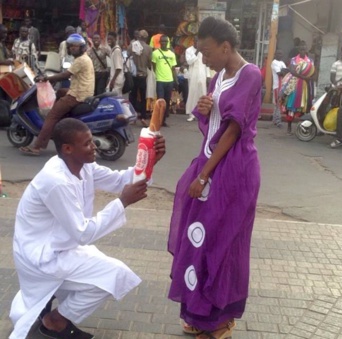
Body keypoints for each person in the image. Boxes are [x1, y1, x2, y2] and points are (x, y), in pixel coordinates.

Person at [9, 118, 166, 339]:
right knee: (114, 275)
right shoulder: (56, 181)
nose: (94, 147)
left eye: (92, 141)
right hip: (41, 256)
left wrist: (149, 161)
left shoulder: (84, 166)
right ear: (68, 149)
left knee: (106, 272)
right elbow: (83, 233)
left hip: (59, 247)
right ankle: (55, 322)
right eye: (87, 143)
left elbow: (120, 180)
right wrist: (122, 203)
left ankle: (46, 304)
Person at [167, 16, 261, 339]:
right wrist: (206, 109)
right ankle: (198, 314)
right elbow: (215, 123)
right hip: (210, 163)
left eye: (206, 52)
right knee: (198, 243)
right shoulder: (218, 75)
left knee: (224, 245)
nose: (203, 59)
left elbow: (234, 131)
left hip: (233, 171)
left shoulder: (251, 75)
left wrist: (204, 176)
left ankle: (220, 320)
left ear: (225, 46)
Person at [19, 34, 94, 156]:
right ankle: (60, 120)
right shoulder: (84, 58)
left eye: (76, 47)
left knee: (52, 116)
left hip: (77, 95)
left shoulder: (80, 60)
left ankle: (37, 146)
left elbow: (65, 75)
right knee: (60, 92)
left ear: (82, 48)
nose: (72, 49)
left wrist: (47, 78)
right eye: (71, 47)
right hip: (83, 91)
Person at [280, 41, 315, 135]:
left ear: (306, 49)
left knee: (304, 106)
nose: (303, 50)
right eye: (301, 49)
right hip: (294, 85)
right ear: (298, 50)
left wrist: (309, 78)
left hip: (305, 87)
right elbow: (292, 71)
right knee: (291, 105)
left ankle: (303, 128)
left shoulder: (310, 61)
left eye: (304, 49)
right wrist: (304, 77)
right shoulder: (294, 59)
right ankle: (289, 127)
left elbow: (312, 72)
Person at [128, 29, 152, 126]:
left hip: (133, 76)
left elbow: (126, 57)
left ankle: (132, 117)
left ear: (138, 37)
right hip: (143, 76)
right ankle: (143, 117)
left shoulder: (131, 46)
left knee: (132, 97)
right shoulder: (149, 48)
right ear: (146, 38)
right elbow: (149, 63)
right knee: (143, 98)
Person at [152, 35, 177, 127]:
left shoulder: (172, 54)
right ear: (159, 42)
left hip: (169, 80)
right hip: (160, 81)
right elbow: (154, 67)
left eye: (165, 41)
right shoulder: (155, 53)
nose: (163, 43)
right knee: (160, 101)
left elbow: (173, 68)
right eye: (162, 41)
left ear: (167, 42)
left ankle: (163, 120)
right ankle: (157, 119)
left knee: (166, 101)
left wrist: (175, 80)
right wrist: (158, 76)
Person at [185, 36, 208, 122]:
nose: (197, 43)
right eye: (195, 41)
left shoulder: (204, 50)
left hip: (202, 74)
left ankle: (202, 114)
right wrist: (197, 52)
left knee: (202, 93)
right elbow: (189, 61)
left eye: (198, 41)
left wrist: (208, 75)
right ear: (193, 42)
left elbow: (206, 64)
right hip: (193, 74)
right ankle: (191, 114)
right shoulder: (189, 50)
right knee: (192, 93)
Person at [270, 49, 288, 128]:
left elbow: (286, 72)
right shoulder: (274, 62)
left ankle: (275, 119)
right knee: (278, 104)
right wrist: (285, 71)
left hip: (282, 85)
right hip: (277, 86)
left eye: (281, 54)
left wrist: (285, 71)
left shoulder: (282, 63)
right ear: (275, 54)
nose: (280, 55)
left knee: (278, 103)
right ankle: (278, 121)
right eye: (278, 53)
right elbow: (280, 73)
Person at [107, 31, 124, 96]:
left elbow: (118, 68)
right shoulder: (113, 50)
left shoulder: (116, 51)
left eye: (111, 39)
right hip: (115, 79)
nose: (109, 41)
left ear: (115, 39)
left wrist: (113, 80)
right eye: (108, 39)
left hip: (116, 80)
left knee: (115, 99)